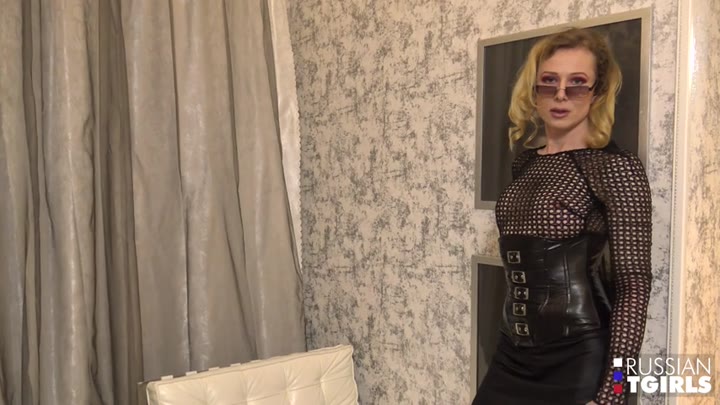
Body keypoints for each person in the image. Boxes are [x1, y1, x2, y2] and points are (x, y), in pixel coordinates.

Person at [472, 28, 652, 405]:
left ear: (598, 92)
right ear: (534, 90)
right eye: (549, 82)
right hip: (511, 355)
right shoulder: (525, 163)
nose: (560, 95)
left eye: (577, 84)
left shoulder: (615, 167)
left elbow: (634, 285)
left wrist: (615, 392)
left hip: (577, 360)